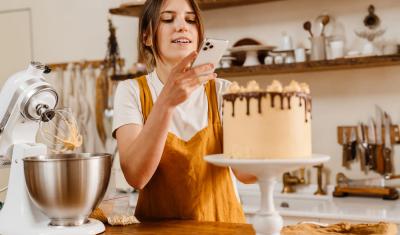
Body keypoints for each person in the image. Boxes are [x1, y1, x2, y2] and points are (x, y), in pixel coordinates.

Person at [113, 0, 256, 223]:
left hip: (224, 228)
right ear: (147, 37)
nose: (182, 26)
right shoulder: (131, 91)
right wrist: (166, 103)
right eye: (168, 19)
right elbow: (135, 176)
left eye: (190, 20)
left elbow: (247, 175)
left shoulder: (223, 92)